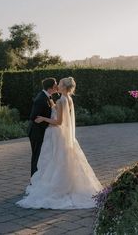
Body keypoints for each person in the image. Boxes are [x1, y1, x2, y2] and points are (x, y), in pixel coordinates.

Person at [16, 77, 103, 209]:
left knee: (55, 160)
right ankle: (68, 184)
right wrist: (53, 106)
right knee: (59, 159)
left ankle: (56, 185)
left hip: (57, 132)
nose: (58, 85)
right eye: (57, 84)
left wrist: (43, 118)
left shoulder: (61, 100)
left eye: (60, 84)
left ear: (64, 87)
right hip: (62, 134)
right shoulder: (68, 98)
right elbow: (60, 113)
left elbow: (59, 122)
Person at [27, 77, 58, 177]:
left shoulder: (48, 96)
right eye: (56, 84)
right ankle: (33, 180)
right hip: (36, 133)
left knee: (41, 157)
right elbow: (34, 118)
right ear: (51, 87)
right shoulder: (41, 99)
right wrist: (48, 123)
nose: (57, 86)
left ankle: (38, 178)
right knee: (36, 157)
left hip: (42, 131)